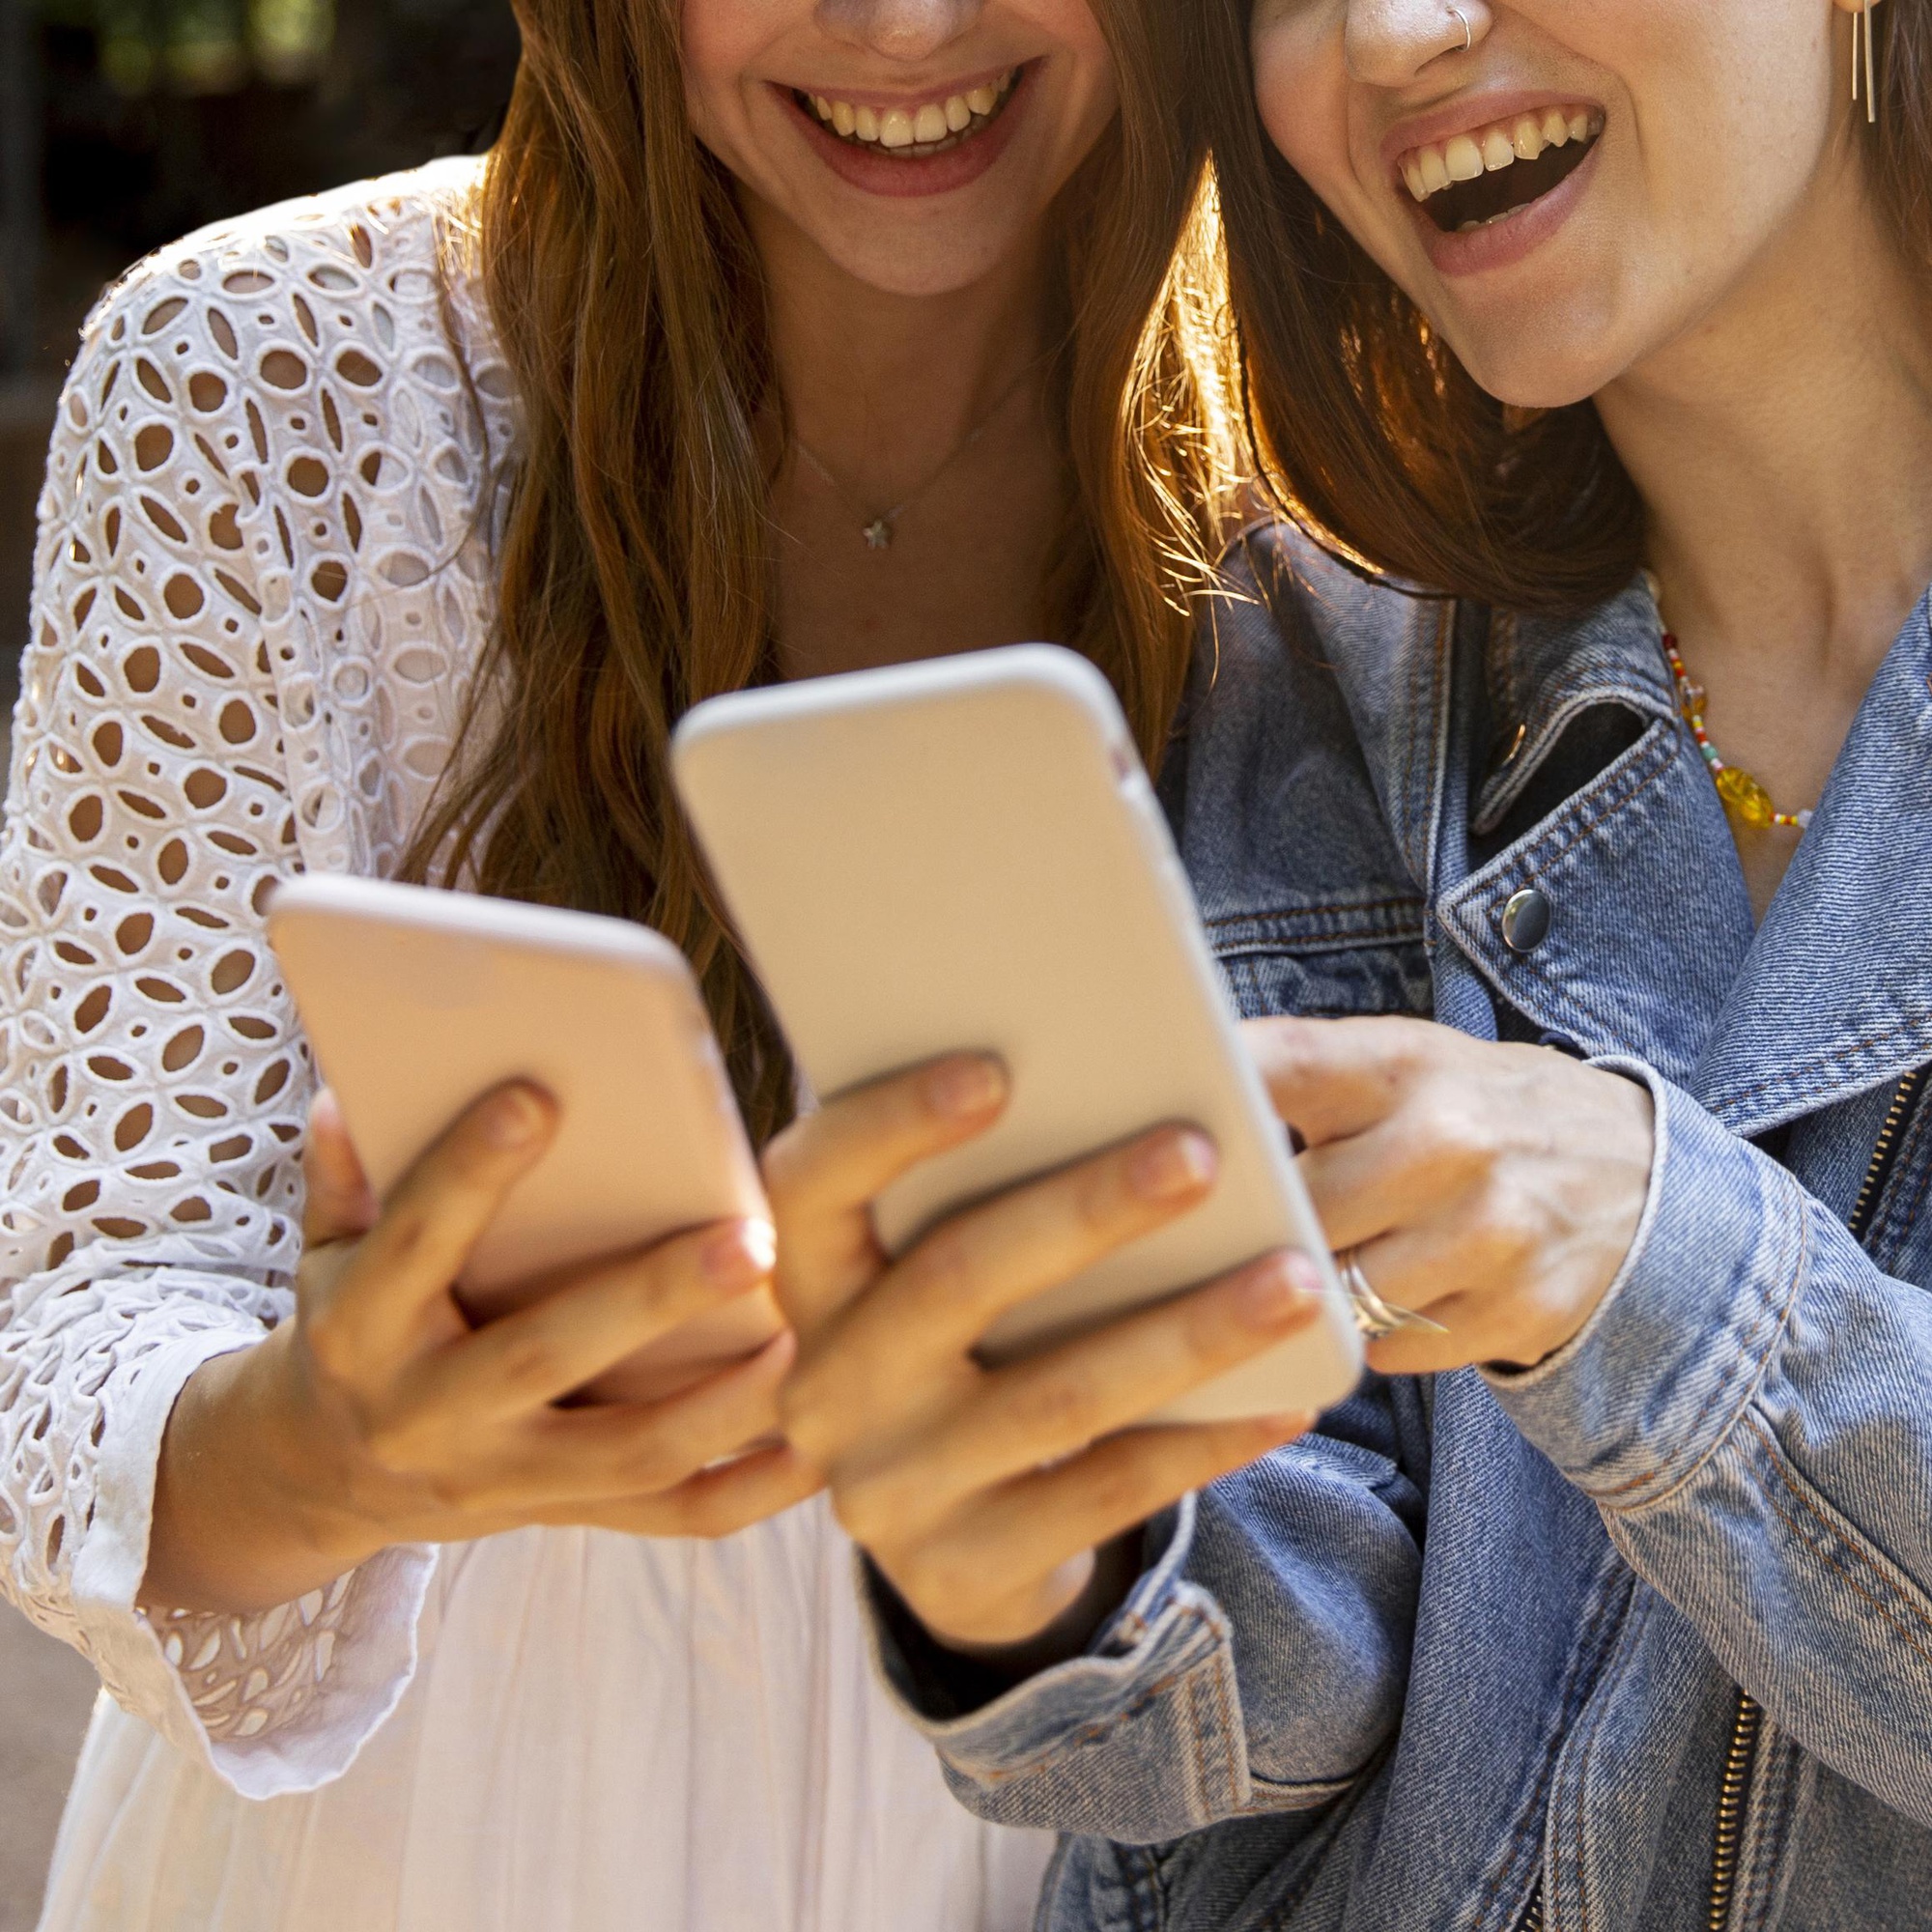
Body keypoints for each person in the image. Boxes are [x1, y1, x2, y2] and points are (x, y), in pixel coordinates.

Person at [0, 3, 1242, 1926]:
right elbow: (69, 1312)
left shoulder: (1351, 457)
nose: (904, 25)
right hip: (426, 1841)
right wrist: (332, 1444)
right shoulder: (261, 372)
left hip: (1080, 1801)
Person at [758, 1, 1932, 1927]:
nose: (1388, 36)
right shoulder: (1313, 645)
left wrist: (1660, 1269)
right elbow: (1286, 1655)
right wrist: (1044, 1565)